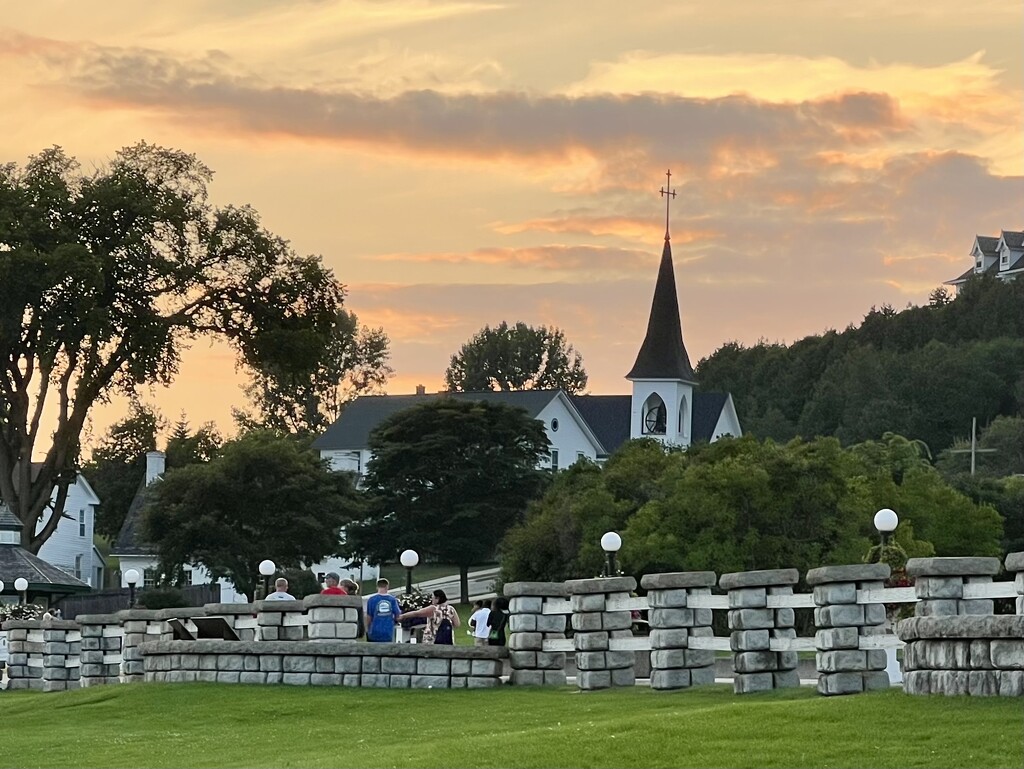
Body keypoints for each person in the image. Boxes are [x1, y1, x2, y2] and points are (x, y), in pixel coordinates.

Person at [365, 578, 403, 642]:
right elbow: (397, 615)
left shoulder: (371, 599)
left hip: (374, 630)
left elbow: (369, 617)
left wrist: (367, 629)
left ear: (377, 587)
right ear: (387, 586)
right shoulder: (392, 600)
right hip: (388, 631)